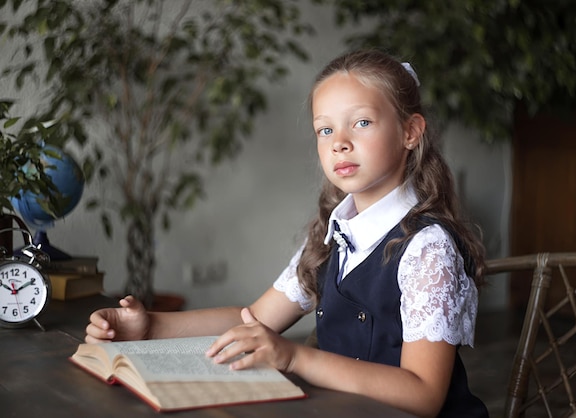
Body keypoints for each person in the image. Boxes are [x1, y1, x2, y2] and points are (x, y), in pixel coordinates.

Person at [85, 49, 489, 418]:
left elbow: (424, 395)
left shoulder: (428, 249)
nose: (340, 144)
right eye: (324, 130)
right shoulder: (335, 235)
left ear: (410, 132)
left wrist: (295, 358)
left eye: (362, 123)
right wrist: (150, 327)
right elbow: (255, 318)